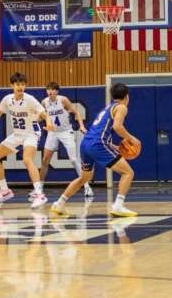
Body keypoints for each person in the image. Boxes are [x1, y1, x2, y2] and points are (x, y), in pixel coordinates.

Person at [50, 82, 141, 218]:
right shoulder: (121, 107)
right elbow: (117, 127)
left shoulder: (108, 108)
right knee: (128, 173)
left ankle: (59, 203)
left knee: (84, 178)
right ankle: (118, 205)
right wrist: (132, 139)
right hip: (97, 145)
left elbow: (100, 131)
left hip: (86, 143)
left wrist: (114, 147)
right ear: (127, 97)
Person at [0, 72, 50, 207]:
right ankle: (5, 191)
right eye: (18, 84)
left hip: (31, 133)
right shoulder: (7, 99)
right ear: (12, 85)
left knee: (27, 159)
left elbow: (44, 114)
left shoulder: (30, 99)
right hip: (17, 134)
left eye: (22, 84)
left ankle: (39, 194)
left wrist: (49, 123)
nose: (20, 87)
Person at [38, 82, 93, 199]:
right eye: (48, 89)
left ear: (57, 91)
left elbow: (76, 112)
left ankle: (87, 186)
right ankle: (38, 189)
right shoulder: (44, 102)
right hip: (53, 132)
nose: (50, 92)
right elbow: (40, 116)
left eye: (52, 89)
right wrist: (32, 122)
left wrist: (82, 126)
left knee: (73, 159)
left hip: (66, 132)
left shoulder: (63, 100)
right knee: (45, 160)